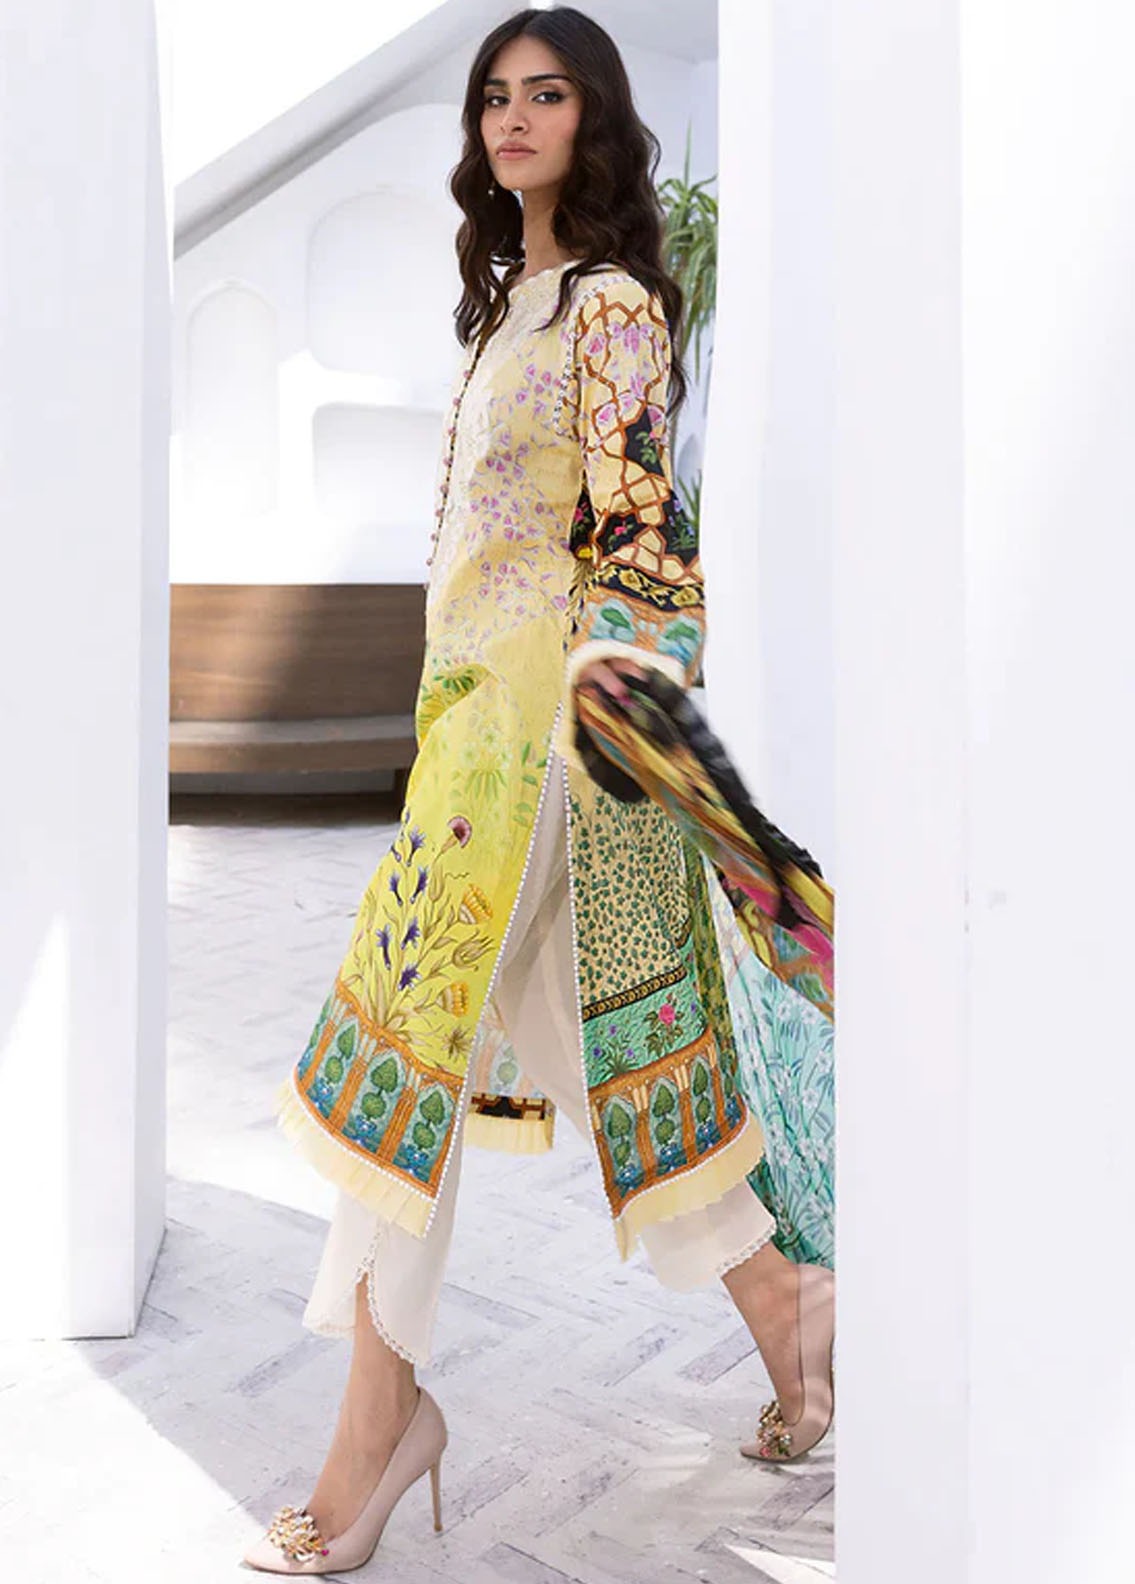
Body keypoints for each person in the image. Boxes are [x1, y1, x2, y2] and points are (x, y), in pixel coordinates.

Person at [242, 7, 835, 1574]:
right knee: (599, 1049)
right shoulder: (512, 303)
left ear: (595, 120)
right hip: (471, 741)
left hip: (544, 749)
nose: (512, 117)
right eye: (493, 95)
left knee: (409, 1064)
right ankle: (798, 1325)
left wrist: (617, 730)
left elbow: (641, 535)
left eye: (546, 94)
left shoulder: (614, 308)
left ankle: (378, 1426)